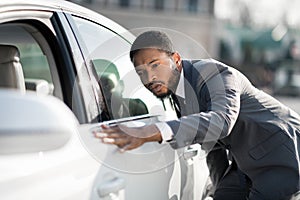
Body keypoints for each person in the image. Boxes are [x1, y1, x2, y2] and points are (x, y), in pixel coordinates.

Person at [94, 30, 300, 199]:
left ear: (175, 59)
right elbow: (212, 147)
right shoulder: (177, 93)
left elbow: (221, 121)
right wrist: (220, 191)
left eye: (155, 64)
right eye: (140, 72)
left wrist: (153, 130)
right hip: (244, 162)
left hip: (280, 150)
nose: (149, 77)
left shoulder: (214, 74)